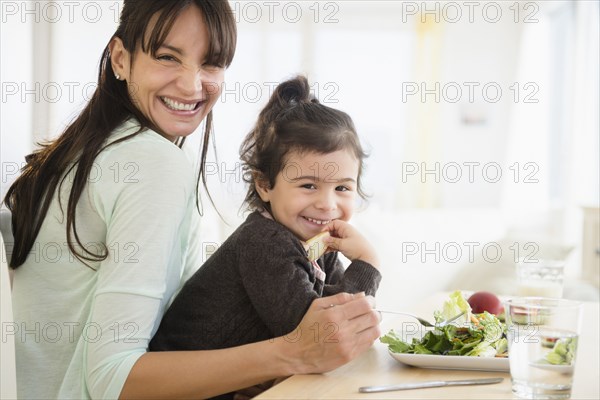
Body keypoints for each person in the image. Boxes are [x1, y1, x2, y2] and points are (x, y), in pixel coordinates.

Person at [3, 1, 381, 399]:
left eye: (211, 63)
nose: (191, 85)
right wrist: (290, 354)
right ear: (120, 58)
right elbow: (113, 379)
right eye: (167, 57)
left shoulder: (90, 151)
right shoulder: (150, 161)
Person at [149, 76, 382, 400]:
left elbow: (341, 315)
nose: (328, 204)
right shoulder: (264, 243)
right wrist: (367, 263)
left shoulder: (317, 241)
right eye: (308, 185)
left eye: (342, 188)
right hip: (178, 388)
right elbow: (322, 333)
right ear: (265, 185)